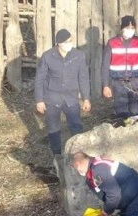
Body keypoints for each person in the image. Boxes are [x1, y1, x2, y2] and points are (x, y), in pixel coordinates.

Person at [35, 29, 91, 157]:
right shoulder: (48, 56)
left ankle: (78, 154)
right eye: (66, 42)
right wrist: (39, 100)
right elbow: (40, 79)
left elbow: (83, 78)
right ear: (58, 44)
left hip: (71, 98)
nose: (69, 44)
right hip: (52, 98)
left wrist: (86, 98)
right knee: (53, 128)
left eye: (70, 41)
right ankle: (57, 155)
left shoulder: (78, 56)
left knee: (76, 126)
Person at [71, 151, 138, 216]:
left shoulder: (98, 170)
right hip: (132, 200)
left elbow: (113, 194)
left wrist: (106, 212)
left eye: (75, 167)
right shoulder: (94, 168)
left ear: (78, 164)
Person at [101, 15, 138, 122]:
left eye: (132, 28)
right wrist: (105, 85)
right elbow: (105, 66)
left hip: (137, 82)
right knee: (121, 113)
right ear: (121, 29)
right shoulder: (112, 43)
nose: (130, 30)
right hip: (119, 83)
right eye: (127, 28)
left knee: (135, 112)